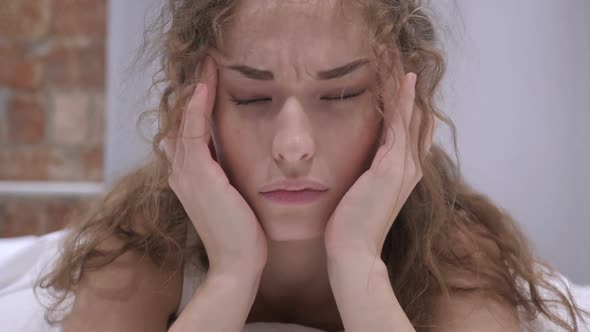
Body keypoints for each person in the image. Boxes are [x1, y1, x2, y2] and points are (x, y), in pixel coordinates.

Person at [34, 0, 588, 331]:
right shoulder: (140, 249)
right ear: (192, 108)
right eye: (252, 98)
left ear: (401, 110)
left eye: (341, 94)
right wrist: (229, 275)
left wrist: (359, 265)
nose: (293, 145)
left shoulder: (451, 256)